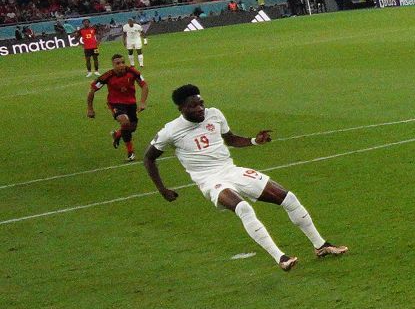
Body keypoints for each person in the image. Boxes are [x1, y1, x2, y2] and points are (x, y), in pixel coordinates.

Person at [145, 84, 348, 271]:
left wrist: (255, 141)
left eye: (201, 104)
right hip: (209, 180)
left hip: (231, 170)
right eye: (193, 106)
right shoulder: (170, 131)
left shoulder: (214, 114)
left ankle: (320, 246)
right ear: (181, 108)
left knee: (288, 198)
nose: (200, 109)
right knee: (243, 208)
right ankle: (281, 258)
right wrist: (162, 189)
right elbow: (149, 158)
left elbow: (231, 139)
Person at [86, 54, 149, 160]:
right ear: (113, 65)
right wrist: (90, 108)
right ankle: (130, 153)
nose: (121, 65)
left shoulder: (132, 72)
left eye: (123, 62)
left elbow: (144, 85)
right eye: (118, 63)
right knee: (125, 122)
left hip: (131, 103)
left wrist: (142, 102)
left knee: (131, 127)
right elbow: (92, 90)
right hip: (115, 103)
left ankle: (118, 134)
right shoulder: (107, 76)